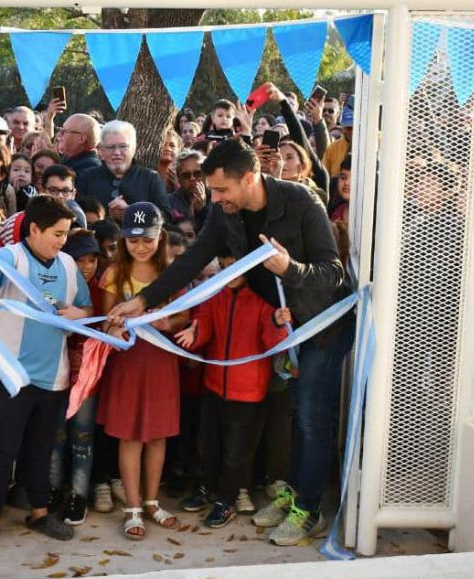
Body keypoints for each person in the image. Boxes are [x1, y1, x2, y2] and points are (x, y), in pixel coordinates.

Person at [108, 139, 344, 546]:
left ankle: (308, 507)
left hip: (319, 327)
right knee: (287, 417)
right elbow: (192, 259)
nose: (214, 199)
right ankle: (294, 492)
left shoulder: (302, 202)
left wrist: (291, 268)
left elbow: (333, 272)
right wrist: (142, 301)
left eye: (221, 191)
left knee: (310, 417)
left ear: (249, 179)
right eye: (212, 191)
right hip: (274, 331)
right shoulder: (223, 211)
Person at [0, 196, 94, 553]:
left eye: (66, 234)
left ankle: (39, 513)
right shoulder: (12, 257)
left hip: (53, 378)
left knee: (41, 450)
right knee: (2, 451)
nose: (62, 241)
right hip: (9, 376)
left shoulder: (67, 265)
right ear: (34, 229)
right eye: (57, 233)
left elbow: (87, 307)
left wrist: (78, 316)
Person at [174, 250, 291, 526]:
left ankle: (226, 500)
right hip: (215, 384)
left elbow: (273, 344)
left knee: (237, 452)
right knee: (208, 444)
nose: (230, 273)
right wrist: (195, 332)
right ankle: (205, 488)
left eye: (235, 267)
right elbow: (204, 321)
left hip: (248, 390)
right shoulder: (216, 295)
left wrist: (276, 322)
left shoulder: (265, 303)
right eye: (225, 267)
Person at [95, 203, 188, 539]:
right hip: (128, 364)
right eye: (133, 240)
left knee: (158, 435)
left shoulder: (172, 272)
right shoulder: (113, 273)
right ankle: (132, 506)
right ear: (124, 240)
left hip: (161, 361)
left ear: (159, 237)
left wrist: (170, 322)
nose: (140, 246)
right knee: (131, 435)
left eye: (147, 239)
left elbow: (184, 315)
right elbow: (105, 320)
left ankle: (152, 501)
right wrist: (113, 330)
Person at [50, 229, 104, 525]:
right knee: (55, 436)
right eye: (79, 259)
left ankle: (79, 496)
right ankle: (54, 490)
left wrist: (84, 316)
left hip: (87, 378)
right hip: (55, 373)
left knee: (82, 438)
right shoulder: (55, 286)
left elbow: (107, 323)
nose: (87, 266)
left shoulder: (101, 291)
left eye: (92, 259)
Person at [78, 120, 170, 220]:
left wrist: (132, 213)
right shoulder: (87, 178)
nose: (117, 152)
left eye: (123, 146)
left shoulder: (151, 178)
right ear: (102, 150)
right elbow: (78, 217)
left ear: (134, 149)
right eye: (110, 147)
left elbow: (166, 217)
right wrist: (108, 216)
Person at [164, 149, 211, 226]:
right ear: (179, 179)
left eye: (197, 173)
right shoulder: (169, 202)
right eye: (186, 175)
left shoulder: (217, 200)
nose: (192, 178)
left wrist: (202, 211)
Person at [322, 96, 353, 177]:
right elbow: (324, 178)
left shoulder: (376, 142)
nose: (326, 113)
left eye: (331, 111)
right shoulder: (333, 148)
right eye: (348, 128)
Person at [158, 128, 182, 193]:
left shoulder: (184, 175)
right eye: (163, 144)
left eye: (172, 145)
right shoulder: (147, 173)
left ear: (179, 150)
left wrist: (177, 185)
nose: (167, 148)